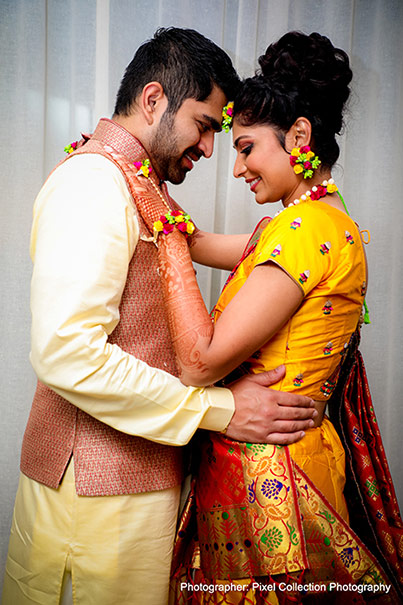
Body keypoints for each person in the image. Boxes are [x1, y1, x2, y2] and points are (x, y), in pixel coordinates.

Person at [1, 28, 318, 605]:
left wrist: (310, 235)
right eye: (204, 125)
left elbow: (201, 258)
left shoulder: (138, 185)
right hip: (96, 494)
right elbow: (67, 353)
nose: (209, 149)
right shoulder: (95, 183)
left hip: (132, 486)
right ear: (153, 101)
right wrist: (223, 409)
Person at [151, 32, 403, 603]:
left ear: (298, 136)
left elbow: (200, 363)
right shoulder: (317, 223)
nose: (237, 168)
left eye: (246, 148)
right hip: (291, 457)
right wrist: (140, 184)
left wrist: (162, 236)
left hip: (271, 475)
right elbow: (204, 243)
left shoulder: (303, 230)